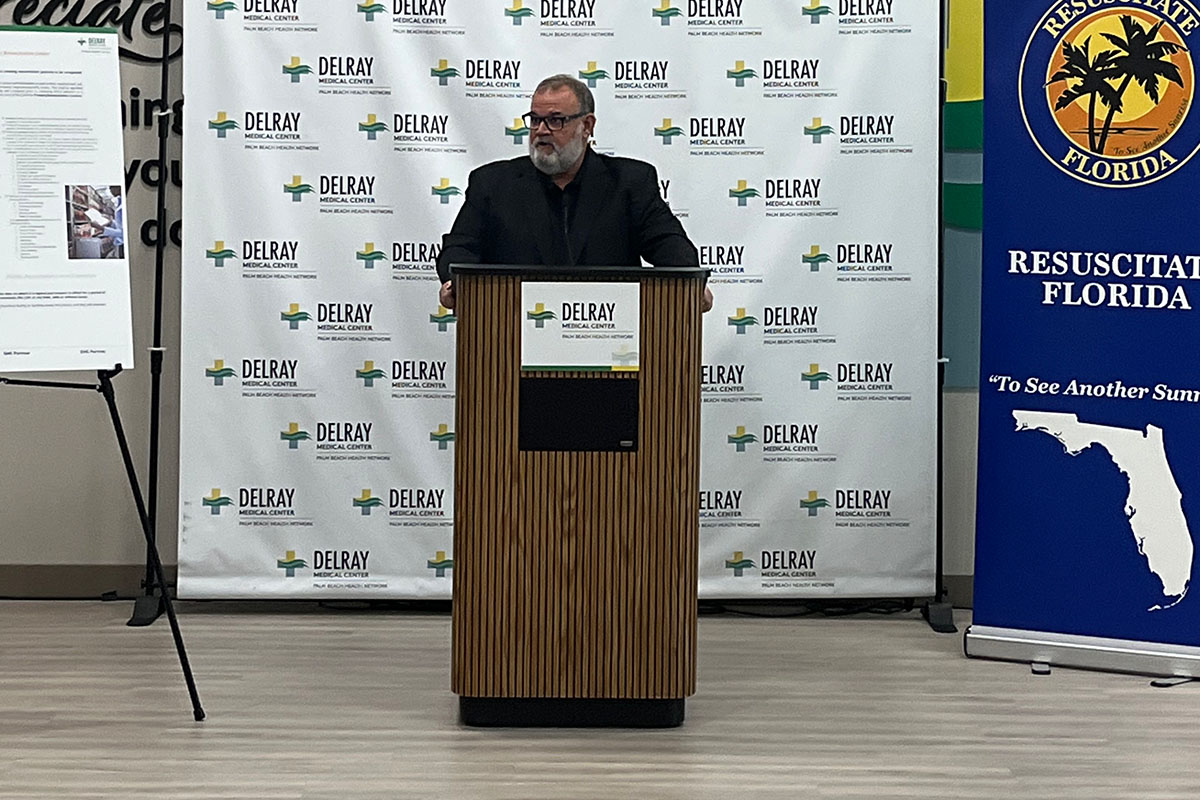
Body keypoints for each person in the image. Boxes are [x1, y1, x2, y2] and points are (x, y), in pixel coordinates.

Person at [436, 74, 712, 312]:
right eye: (535, 120)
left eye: (556, 121)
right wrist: (454, 283)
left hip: (610, 345)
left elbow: (669, 246)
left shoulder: (630, 183)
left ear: (587, 126)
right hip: (513, 341)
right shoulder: (493, 184)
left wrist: (690, 284)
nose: (541, 131)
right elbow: (460, 248)